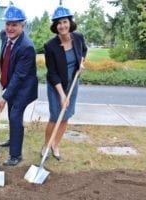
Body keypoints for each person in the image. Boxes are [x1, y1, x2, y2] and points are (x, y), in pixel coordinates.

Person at [41, 5, 87, 161]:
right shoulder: (50, 46)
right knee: (55, 116)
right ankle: (46, 145)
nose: (62, 26)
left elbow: (84, 51)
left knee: (66, 116)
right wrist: (62, 95)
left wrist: (81, 63)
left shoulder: (78, 37)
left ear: (70, 22)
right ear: (55, 26)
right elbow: (52, 73)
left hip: (72, 83)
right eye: (59, 23)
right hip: (56, 86)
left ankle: (55, 144)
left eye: (65, 21)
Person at [0, 5, 38, 166]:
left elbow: (20, 76)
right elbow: (6, 54)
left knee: (15, 116)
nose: (10, 28)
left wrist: (4, 97)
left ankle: (15, 155)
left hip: (24, 88)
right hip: (11, 82)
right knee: (11, 115)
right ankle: (13, 139)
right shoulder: (4, 35)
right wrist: (2, 64)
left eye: (15, 24)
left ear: (23, 25)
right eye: (8, 23)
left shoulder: (27, 47)